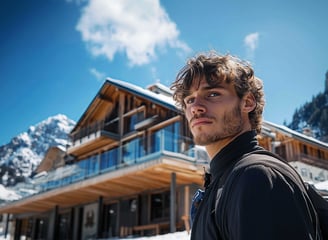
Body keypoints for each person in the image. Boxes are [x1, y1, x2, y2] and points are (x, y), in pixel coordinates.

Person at [171, 51, 322, 240]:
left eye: (213, 94)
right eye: (189, 100)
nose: (195, 107)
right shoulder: (225, 180)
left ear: (247, 102)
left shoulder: (256, 177)